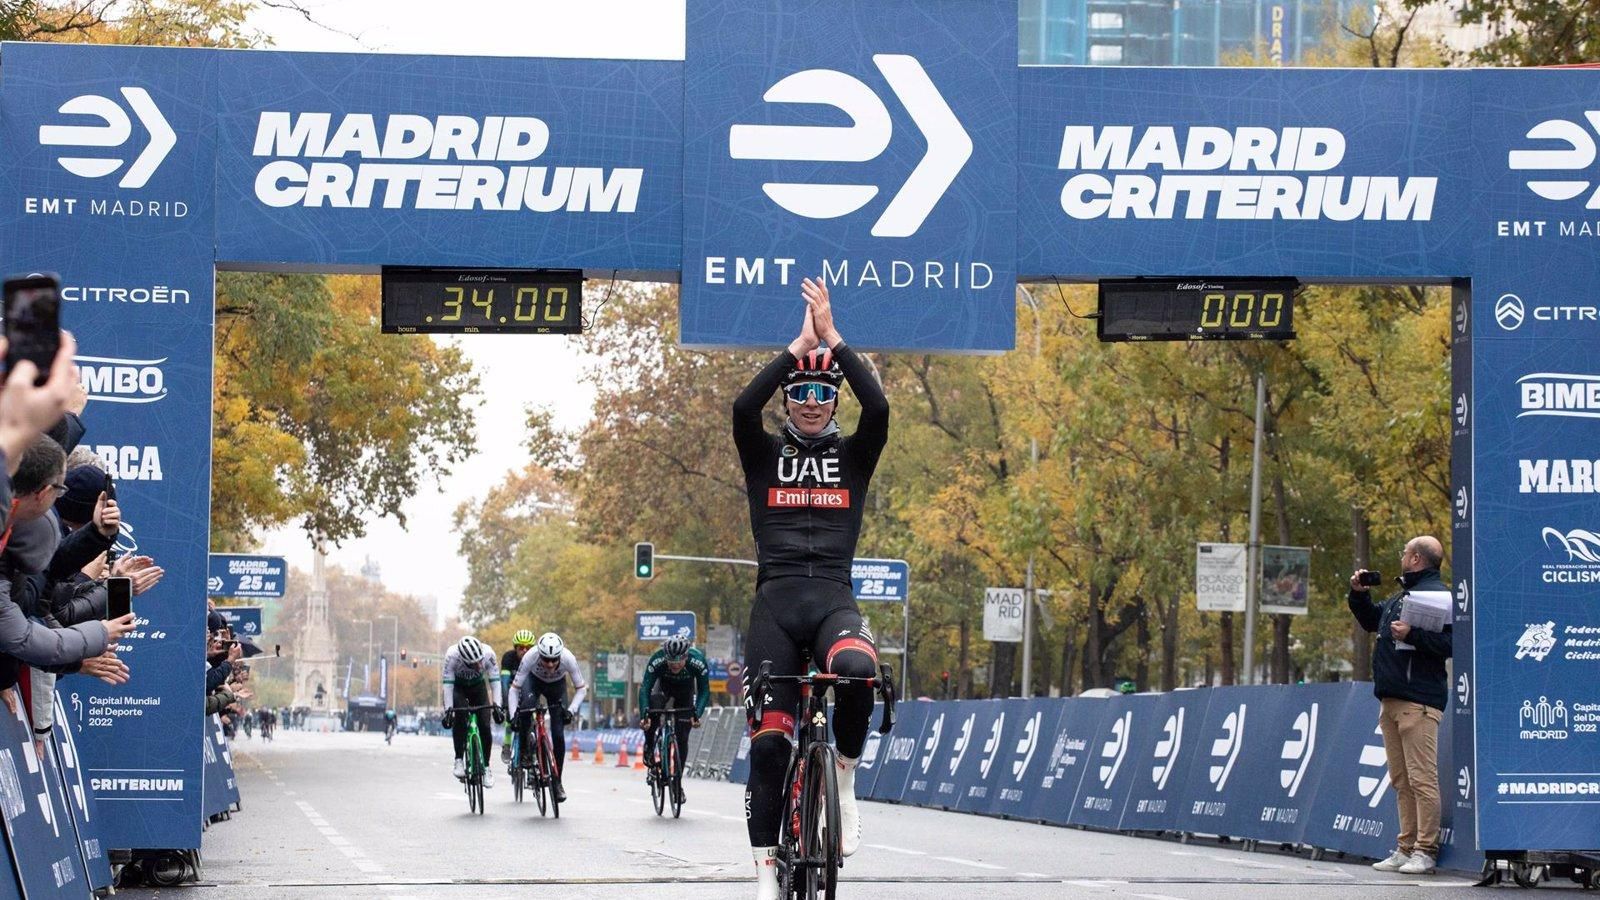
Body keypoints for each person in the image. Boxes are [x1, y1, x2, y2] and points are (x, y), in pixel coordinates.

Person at [733, 278, 888, 896]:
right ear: (788, 399)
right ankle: (766, 876)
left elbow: (879, 408)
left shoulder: (854, 456)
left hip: (831, 601)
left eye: (824, 392)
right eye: (800, 392)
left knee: (857, 671)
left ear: (834, 400)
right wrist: (797, 348)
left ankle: (843, 778)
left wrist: (833, 339)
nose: (812, 402)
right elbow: (742, 408)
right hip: (774, 606)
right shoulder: (763, 453)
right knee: (771, 749)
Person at [1349, 535, 1452, 876]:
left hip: (1418, 700)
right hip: (1391, 699)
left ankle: (1425, 850)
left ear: (1417, 559)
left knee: (1422, 779)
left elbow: (1452, 643)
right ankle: (1406, 847)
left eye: (1405, 552)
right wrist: (1359, 595)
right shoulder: (1402, 596)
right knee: (1401, 780)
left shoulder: (1438, 597)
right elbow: (1371, 621)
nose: (1402, 557)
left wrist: (1412, 635)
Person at [507, 631, 586, 802]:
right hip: (533, 682)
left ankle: (557, 783)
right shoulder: (530, 656)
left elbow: (581, 689)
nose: (550, 664)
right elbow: (514, 689)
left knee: (558, 735)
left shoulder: (568, 658)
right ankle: (525, 751)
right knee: (526, 710)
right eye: (546, 660)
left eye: (554, 660)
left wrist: (571, 711)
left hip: (557, 686)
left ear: (560, 656)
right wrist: (514, 716)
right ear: (539, 655)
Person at [638, 634, 711, 802]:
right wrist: (644, 715)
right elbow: (645, 688)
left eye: (679, 661)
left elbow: (704, 690)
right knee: (653, 710)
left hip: (685, 694)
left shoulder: (697, 661)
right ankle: (649, 746)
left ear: (686, 656)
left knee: (682, 737)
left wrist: (697, 713)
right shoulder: (657, 660)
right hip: (662, 689)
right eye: (671, 662)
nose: (675, 665)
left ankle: (677, 783)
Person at [442, 635, 499, 787]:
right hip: (458, 688)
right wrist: (448, 712)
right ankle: (459, 759)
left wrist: (497, 706)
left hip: (478, 688)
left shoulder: (488, 653)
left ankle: (486, 767)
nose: (479, 665)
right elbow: (448, 686)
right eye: (474, 663)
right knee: (460, 717)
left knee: (485, 725)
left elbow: (495, 682)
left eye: (480, 661)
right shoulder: (452, 656)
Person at [500, 629, 535, 764]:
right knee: (511, 719)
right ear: (515, 648)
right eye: (521, 648)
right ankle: (507, 745)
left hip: (530, 691)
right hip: (512, 690)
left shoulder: (535, 659)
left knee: (533, 721)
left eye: (528, 648)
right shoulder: (508, 658)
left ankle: (533, 753)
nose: (524, 651)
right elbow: (504, 682)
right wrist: (505, 702)